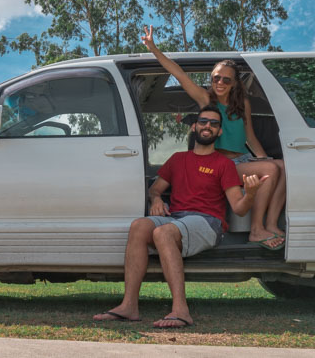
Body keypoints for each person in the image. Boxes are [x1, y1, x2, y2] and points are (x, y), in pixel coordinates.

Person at [93, 105, 269, 328]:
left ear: (220, 132)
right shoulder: (177, 159)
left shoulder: (223, 164)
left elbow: (239, 208)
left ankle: (181, 311)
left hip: (208, 222)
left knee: (163, 232)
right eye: (204, 121)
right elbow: (155, 189)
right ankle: (129, 306)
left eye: (214, 124)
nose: (208, 126)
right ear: (194, 126)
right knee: (139, 226)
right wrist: (156, 199)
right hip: (177, 218)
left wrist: (251, 193)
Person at [141, 25, 287, 249]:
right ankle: (256, 230)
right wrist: (154, 48)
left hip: (244, 160)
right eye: (216, 78)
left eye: (226, 80)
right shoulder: (205, 99)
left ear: (234, 83)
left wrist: (264, 158)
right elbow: (178, 73)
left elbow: (251, 138)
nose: (220, 83)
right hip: (224, 164)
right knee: (271, 170)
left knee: (282, 167)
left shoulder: (242, 104)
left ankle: (271, 224)